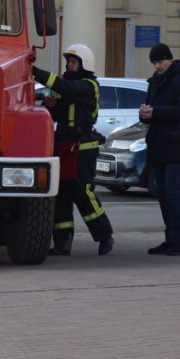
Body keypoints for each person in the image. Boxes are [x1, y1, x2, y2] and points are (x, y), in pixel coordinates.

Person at [33, 44, 115, 256]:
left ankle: (104, 236)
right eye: (68, 61)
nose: (69, 65)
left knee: (83, 194)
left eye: (73, 61)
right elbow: (59, 113)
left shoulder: (89, 85)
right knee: (60, 195)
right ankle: (62, 243)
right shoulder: (64, 86)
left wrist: (36, 72)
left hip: (83, 148)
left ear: (84, 64)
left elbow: (68, 89)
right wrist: (50, 105)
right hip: (62, 146)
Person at [139, 43, 180, 256]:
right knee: (162, 193)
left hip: (175, 143)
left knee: (172, 192)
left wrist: (156, 112)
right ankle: (170, 239)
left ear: (169, 59)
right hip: (158, 142)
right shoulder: (155, 81)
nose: (157, 65)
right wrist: (144, 113)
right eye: (154, 62)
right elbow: (149, 108)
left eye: (160, 61)